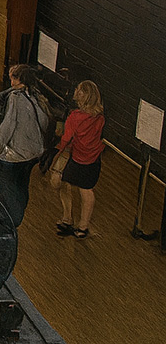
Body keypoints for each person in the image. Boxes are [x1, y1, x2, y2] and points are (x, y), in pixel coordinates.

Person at [0, 64, 49, 229]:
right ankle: (17, 215)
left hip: (13, 155)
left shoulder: (14, 98)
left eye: (13, 77)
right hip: (32, 154)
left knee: (6, 190)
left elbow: (8, 125)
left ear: (19, 79)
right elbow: (45, 121)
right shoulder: (36, 95)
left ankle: (10, 223)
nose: (10, 80)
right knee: (22, 186)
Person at [55, 80, 105, 239]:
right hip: (93, 159)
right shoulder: (100, 117)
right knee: (86, 190)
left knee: (64, 184)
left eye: (78, 89)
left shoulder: (75, 117)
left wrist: (56, 153)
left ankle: (67, 218)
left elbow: (66, 138)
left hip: (76, 158)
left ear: (83, 95)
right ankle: (83, 227)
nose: (76, 90)